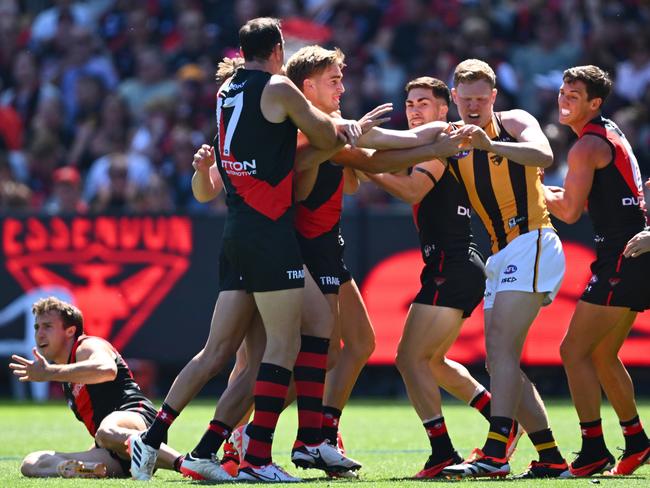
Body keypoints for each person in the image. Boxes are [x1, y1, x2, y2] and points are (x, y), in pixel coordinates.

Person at [127, 18, 367, 483]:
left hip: (239, 230)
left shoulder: (226, 94)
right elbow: (323, 137)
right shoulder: (277, 89)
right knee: (281, 346)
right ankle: (259, 457)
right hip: (270, 232)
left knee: (227, 351)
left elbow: (205, 190)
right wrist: (338, 129)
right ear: (277, 50)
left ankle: (160, 439)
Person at [365, 76, 521, 478]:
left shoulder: (441, 144)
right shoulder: (430, 144)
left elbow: (414, 190)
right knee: (431, 362)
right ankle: (501, 420)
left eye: (423, 103)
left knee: (409, 359)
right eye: (411, 103)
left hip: (450, 264)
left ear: (442, 109)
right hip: (454, 263)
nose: (415, 110)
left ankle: (443, 452)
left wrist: (363, 165)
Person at [440, 59, 569, 479]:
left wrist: (490, 145)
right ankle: (550, 456)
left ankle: (495, 452)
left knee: (500, 349)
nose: (474, 106)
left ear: (494, 97)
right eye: (466, 98)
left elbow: (545, 153)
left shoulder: (512, 122)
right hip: (501, 253)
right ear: (454, 97)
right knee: (500, 362)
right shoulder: (452, 137)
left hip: (532, 241)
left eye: (481, 98)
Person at [544, 65, 650, 476]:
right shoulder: (611, 132)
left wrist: (534, 187)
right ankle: (637, 441)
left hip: (621, 257)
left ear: (595, 103)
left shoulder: (585, 146)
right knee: (603, 354)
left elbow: (569, 212)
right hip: (631, 252)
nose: (564, 99)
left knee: (573, 351)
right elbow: (586, 198)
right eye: (563, 92)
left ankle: (593, 449)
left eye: (575, 95)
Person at [9, 297, 183, 479]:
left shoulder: (87, 346)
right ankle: (88, 470)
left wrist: (50, 372)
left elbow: (107, 370)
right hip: (114, 446)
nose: (39, 334)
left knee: (106, 431)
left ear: (70, 331)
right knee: (33, 463)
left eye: (47, 326)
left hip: (140, 421)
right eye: (37, 327)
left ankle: (183, 463)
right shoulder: (67, 377)